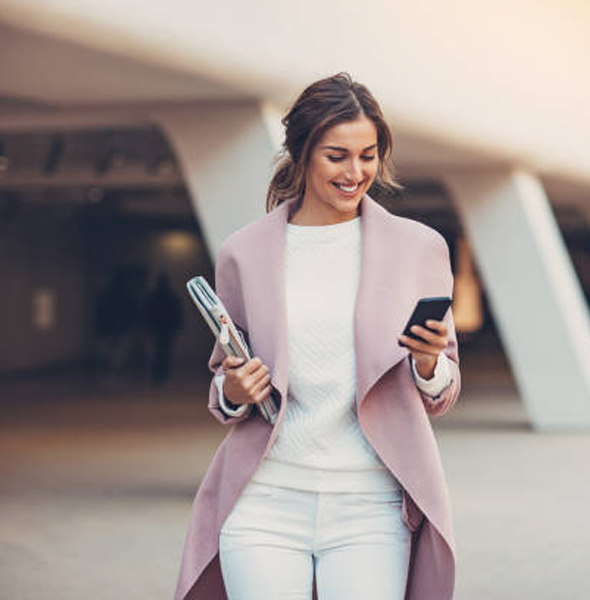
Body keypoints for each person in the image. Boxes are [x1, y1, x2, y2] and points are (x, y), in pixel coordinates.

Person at [175, 73, 461, 600]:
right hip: (264, 499)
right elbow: (224, 380)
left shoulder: (418, 248)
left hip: (370, 505)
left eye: (369, 155)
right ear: (302, 154)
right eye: (338, 156)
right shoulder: (245, 252)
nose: (356, 173)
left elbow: (442, 389)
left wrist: (427, 363)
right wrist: (234, 391)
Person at [144, 272, 183, 386]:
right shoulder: (170, 296)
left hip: (161, 329)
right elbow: (177, 313)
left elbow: (148, 312)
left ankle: (158, 376)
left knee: (159, 352)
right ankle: (160, 376)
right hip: (164, 329)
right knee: (163, 353)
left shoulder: (155, 295)